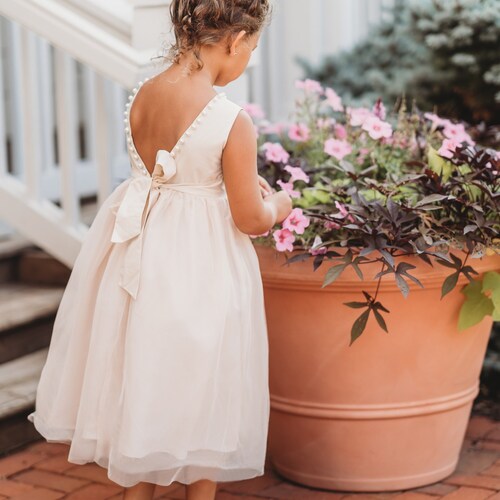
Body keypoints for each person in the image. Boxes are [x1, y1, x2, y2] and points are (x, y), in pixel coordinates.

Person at [27, 0, 293, 499]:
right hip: (200, 270)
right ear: (236, 41)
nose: (246, 62)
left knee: (149, 381)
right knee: (201, 384)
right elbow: (248, 217)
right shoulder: (230, 119)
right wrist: (277, 201)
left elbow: (170, 174)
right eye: (250, 50)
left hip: (143, 258)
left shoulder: (143, 96)